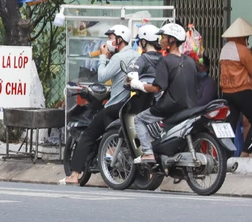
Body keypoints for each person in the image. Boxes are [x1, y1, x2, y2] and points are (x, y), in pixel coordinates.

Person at [61, 25, 138, 185]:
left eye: (110, 38)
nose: (108, 41)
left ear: (119, 40)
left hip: (115, 106)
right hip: (131, 106)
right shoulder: (136, 55)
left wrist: (103, 57)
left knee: (89, 135)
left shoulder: (119, 57)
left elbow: (102, 76)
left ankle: (74, 175)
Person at [129, 22, 197, 162]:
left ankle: (148, 152)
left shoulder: (165, 61)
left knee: (139, 119)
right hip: (189, 105)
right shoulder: (190, 61)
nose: (160, 40)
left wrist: (138, 84)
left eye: (163, 37)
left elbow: (156, 88)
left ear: (171, 40)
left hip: (169, 106)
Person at [219, 17, 252, 153]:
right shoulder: (243, 50)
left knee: (230, 125)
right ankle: (245, 151)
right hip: (242, 91)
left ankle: (226, 156)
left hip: (227, 92)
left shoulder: (224, 49)